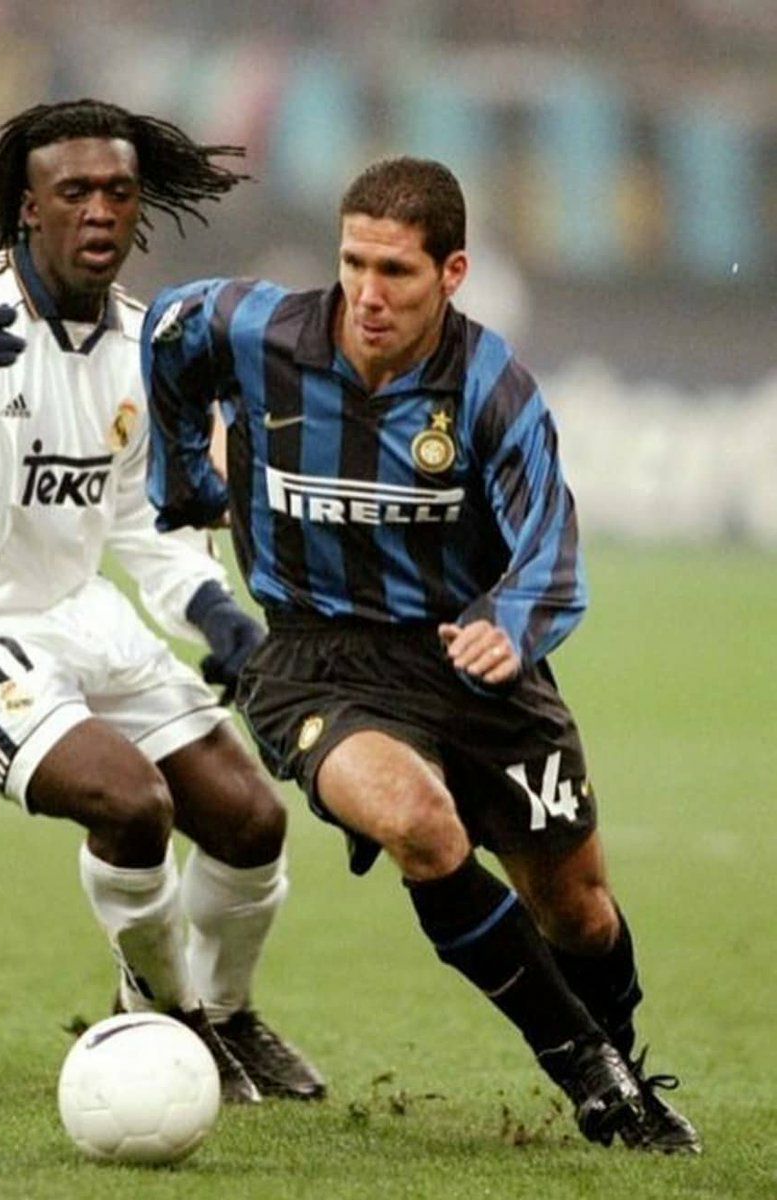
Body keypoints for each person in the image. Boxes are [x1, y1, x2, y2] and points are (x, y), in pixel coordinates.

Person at [141, 157, 700, 1151]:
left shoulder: (490, 386)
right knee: (418, 823)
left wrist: (511, 623)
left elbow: (550, 548)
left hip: (470, 661)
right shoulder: (256, 329)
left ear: (452, 273)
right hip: (315, 659)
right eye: (352, 262)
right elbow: (168, 329)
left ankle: (617, 1053)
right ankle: (589, 1076)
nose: (366, 293)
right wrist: (182, 473)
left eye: (394, 270)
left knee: (578, 913)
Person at [0, 99, 325, 1105]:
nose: (99, 211)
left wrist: (217, 618)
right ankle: (169, 1019)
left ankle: (228, 1016)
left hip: (82, 614)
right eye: (75, 191)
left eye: (118, 192)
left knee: (250, 821)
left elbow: (148, 520)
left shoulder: (147, 346)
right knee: (133, 805)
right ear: (27, 207)